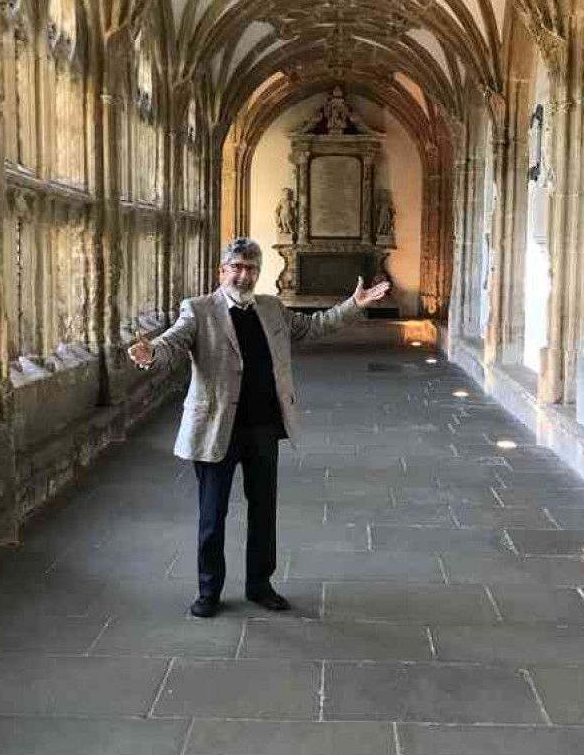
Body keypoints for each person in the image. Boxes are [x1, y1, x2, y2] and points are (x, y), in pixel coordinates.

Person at [128, 237, 390, 618]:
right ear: (222, 271)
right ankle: (208, 591)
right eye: (235, 267)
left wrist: (355, 305)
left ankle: (259, 585)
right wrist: (151, 352)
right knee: (212, 515)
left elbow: (313, 328)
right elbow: (174, 341)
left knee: (264, 512)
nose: (243, 274)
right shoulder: (199, 310)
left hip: (264, 427)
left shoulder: (271, 308)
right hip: (217, 427)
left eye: (250, 268)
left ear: (258, 272)